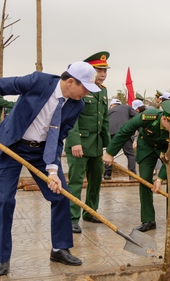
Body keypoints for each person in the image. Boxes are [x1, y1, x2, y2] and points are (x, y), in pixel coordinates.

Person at [0, 61, 99, 276]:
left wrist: (52, 170)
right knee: (4, 202)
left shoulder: (77, 105)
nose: (87, 93)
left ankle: (60, 248)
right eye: (85, 87)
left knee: (61, 195)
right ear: (71, 81)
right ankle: (2, 258)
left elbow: (58, 137)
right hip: (11, 145)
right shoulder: (38, 82)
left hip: (41, 153)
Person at [102, 100, 170, 232]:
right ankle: (148, 220)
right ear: (164, 118)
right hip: (146, 147)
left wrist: (160, 179)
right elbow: (125, 131)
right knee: (144, 180)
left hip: (166, 150)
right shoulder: (148, 116)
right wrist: (110, 152)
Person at [66, 51, 111, 234]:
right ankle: (71, 217)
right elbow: (71, 117)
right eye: (99, 70)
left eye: (105, 70)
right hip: (80, 144)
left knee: (96, 180)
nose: (102, 74)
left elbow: (104, 120)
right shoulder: (80, 88)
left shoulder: (104, 90)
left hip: (97, 144)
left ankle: (90, 212)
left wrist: (109, 147)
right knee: (76, 181)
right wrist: (75, 141)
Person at [103, 98, 137, 180]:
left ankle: (107, 175)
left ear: (111, 105)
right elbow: (137, 117)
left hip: (111, 132)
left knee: (109, 153)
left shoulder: (108, 111)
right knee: (130, 154)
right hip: (124, 132)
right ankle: (132, 175)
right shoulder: (127, 107)